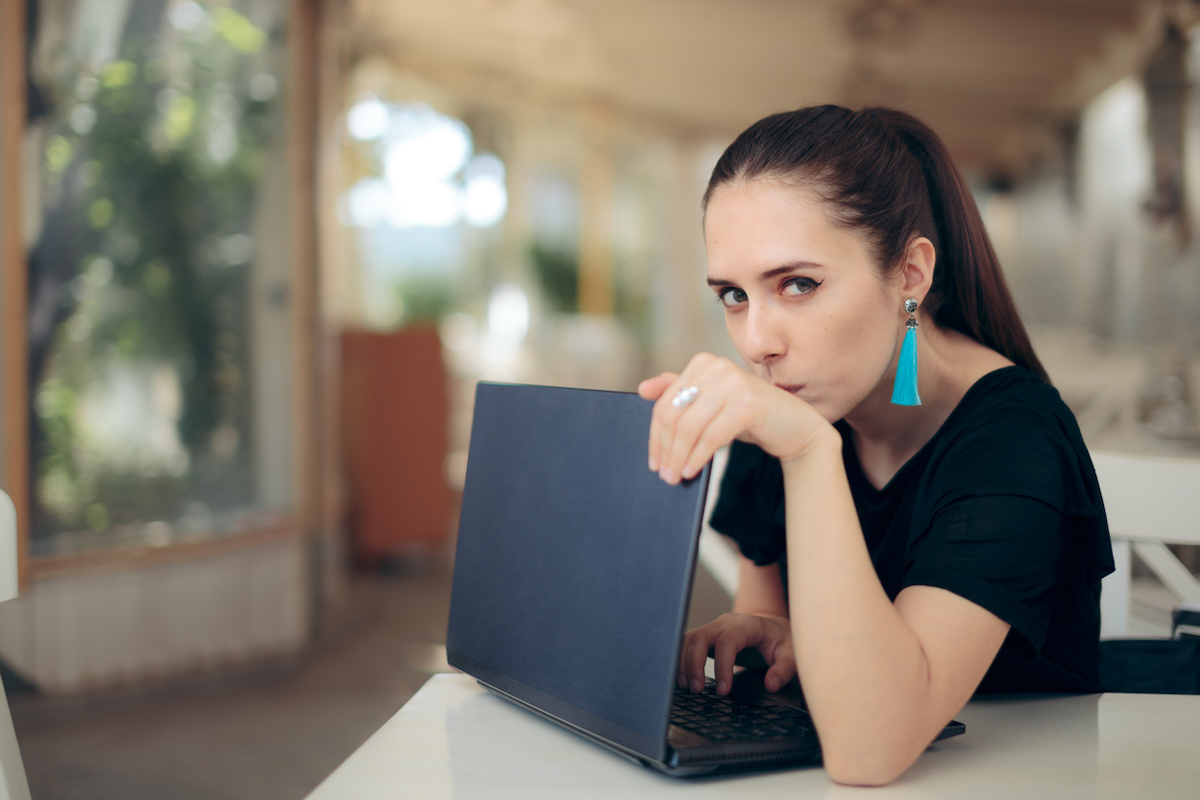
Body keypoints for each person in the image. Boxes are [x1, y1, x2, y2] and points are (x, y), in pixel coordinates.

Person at [637, 106, 1114, 786]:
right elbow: (772, 610)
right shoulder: (799, 396)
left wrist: (807, 453)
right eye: (734, 295)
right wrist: (764, 628)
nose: (755, 342)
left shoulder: (1014, 440)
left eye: (797, 284)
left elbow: (869, 750)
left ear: (911, 275)